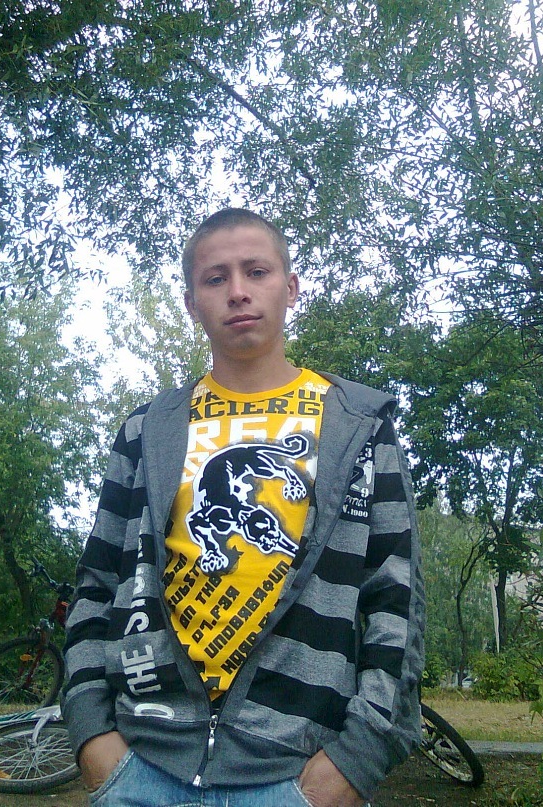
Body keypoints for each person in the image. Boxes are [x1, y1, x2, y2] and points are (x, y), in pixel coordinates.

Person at [62, 208, 425, 807]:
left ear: (291, 287)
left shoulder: (357, 425)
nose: (237, 291)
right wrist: (92, 736)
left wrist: (357, 759)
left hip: (300, 775)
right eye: (215, 278)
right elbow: (96, 583)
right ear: (191, 303)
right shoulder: (148, 430)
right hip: (142, 764)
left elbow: (396, 598)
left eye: (256, 271)